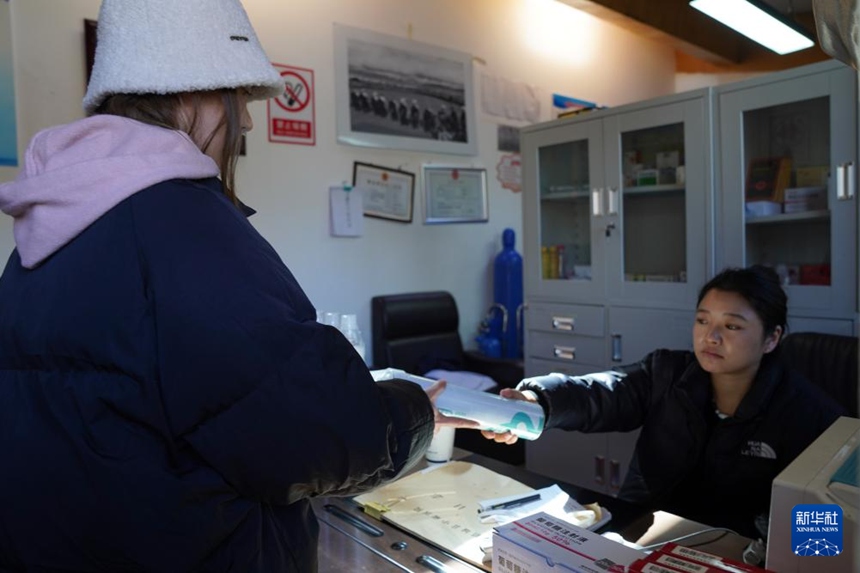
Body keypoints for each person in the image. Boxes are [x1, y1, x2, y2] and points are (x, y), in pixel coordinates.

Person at [0, 1, 475, 571]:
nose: (246, 122)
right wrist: (411, 412)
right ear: (188, 89)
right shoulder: (182, 223)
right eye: (241, 98)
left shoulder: (48, 229)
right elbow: (310, 437)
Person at [483, 265, 846, 539]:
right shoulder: (669, 374)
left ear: (772, 338)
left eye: (732, 326)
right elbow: (602, 393)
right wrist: (535, 402)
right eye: (703, 321)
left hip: (737, 555)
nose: (711, 336)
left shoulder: (809, 415)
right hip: (643, 533)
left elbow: (826, 519)